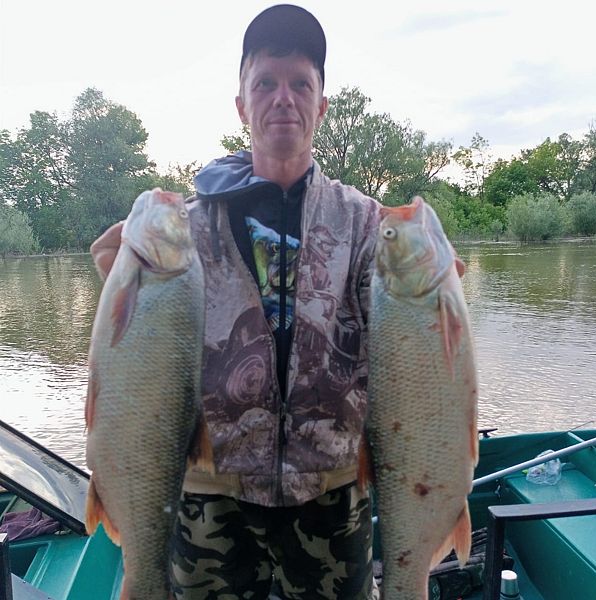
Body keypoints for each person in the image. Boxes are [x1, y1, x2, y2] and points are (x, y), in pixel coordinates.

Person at [91, 5, 382, 599]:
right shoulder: (181, 227)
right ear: (242, 106)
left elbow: (402, 343)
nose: (283, 98)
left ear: (322, 105)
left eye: (301, 84)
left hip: (330, 489)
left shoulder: (364, 223)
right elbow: (139, 358)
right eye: (265, 83)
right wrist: (117, 275)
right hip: (209, 492)